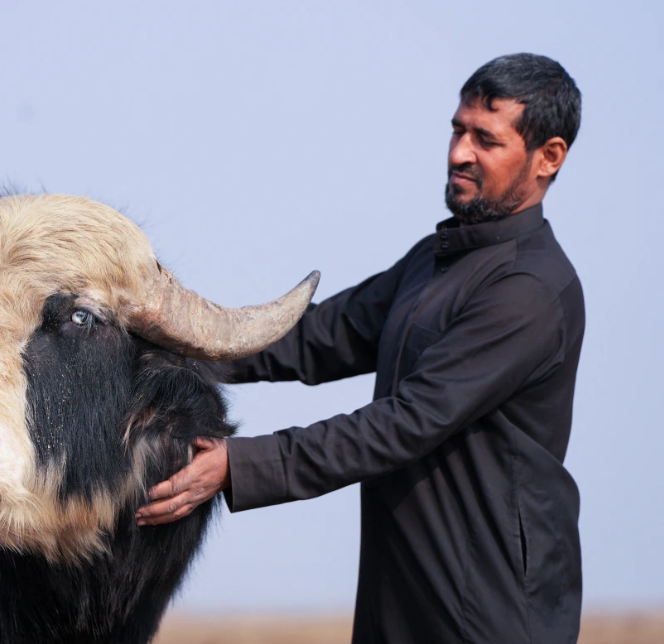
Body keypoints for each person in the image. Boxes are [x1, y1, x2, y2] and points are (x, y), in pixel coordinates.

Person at [136, 53, 585, 644]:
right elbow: (316, 338)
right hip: (398, 595)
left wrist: (238, 466)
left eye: (485, 139)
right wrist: (157, 343)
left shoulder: (529, 290)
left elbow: (406, 424)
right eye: (457, 129)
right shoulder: (436, 260)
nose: (458, 153)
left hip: (490, 609)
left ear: (548, 157)